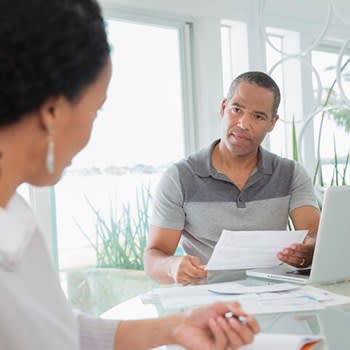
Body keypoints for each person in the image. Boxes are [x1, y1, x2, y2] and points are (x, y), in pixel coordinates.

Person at [0, 0, 260, 349]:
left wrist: (175, 328)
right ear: (52, 112)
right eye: (96, 109)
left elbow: (56, 329)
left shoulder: (16, 217)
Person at [144, 71, 321, 285]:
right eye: (237, 109)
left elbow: (315, 235)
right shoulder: (180, 177)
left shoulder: (291, 174)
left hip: (274, 300)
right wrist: (171, 266)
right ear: (223, 108)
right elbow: (154, 256)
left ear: (272, 123)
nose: (244, 124)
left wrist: (310, 251)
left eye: (258, 116)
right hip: (207, 305)